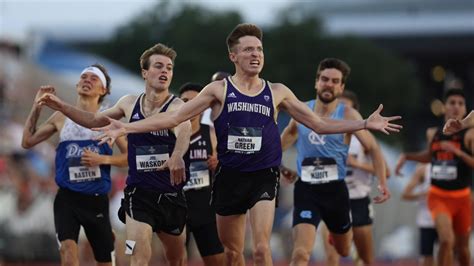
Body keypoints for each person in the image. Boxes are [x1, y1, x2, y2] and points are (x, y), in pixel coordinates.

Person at [38, 24, 401, 265]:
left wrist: (363, 122)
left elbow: (319, 123)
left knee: (260, 249)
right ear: (233, 56)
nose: (256, 54)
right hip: (225, 179)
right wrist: (119, 125)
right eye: (248, 49)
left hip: (262, 176)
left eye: (259, 48)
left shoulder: (277, 92)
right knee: (228, 252)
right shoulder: (218, 90)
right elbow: (173, 120)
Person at [37, 43, 192, 266]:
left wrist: (177, 154)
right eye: (159, 66)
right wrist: (60, 105)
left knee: (177, 258)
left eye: (169, 67)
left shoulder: (176, 105)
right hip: (138, 195)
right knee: (138, 256)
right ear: (145, 73)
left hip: (170, 194)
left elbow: (184, 129)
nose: (165, 71)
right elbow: (92, 120)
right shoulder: (129, 103)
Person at [280, 59, 390, 265]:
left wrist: (382, 182)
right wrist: (280, 167)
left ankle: (336, 233)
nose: (328, 84)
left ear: (341, 87)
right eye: (324, 79)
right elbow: (278, 146)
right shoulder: (301, 111)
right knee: (301, 253)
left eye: (334, 81)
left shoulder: (348, 114)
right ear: (316, 82)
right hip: (306, 191)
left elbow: (373, 148)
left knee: (344, 249)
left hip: (336, 192)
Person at [21, 64, 126, 266]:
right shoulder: (61, 117)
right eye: (83, 76)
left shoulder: (108, 119)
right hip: (67, 198)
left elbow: (130, 157)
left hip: (96, 199)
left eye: (93, 79)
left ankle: (107, 237)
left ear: (103, 90)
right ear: (77, 83)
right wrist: (37, 105)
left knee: (104, 261)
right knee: (68, 255)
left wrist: (103, 159)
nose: (87, 80)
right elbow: (27, 141)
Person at [395, 88, 474, 266]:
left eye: (461, 104)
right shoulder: (433, 133)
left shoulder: (469, 134)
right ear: (444, 107)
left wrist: (458, 152)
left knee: (462, 249)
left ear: (465, 109)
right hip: (438, 195)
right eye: (452, 103)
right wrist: (408, 156)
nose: (456, 107)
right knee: (446, 240)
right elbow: (430, 156)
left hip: (461, 197)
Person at [318, 90, 391, 266]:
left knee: (365, 258)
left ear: (355, 112)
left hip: (357, 201)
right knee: (332, 256)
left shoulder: (364, 140)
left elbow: (386, 172)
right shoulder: (324, 136)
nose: (342, 112)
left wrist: (356, 164)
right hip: (333, 200)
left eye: (347, 108)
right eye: (339, 107)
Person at [179, 82, 225, 265]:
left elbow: (226, 165)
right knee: (176, 259)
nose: (190, 105)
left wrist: (218, 163)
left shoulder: (211, 134)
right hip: (177, 207)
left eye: (194, 101)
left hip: (205, 207)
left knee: (215, 259)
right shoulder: (170, 134)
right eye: (185, 101)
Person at [402, 163, 438, 266]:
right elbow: (405, 194)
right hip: (427, 220)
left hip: (447, 218)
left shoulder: (454, 167)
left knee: (446, 252)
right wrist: (424, 194)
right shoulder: (423, 169)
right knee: (427, 257)